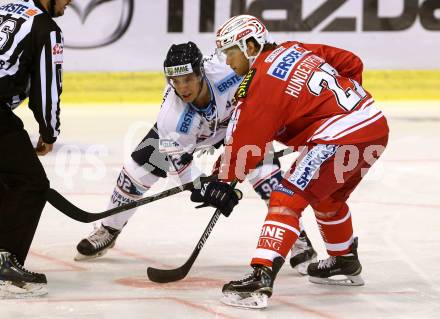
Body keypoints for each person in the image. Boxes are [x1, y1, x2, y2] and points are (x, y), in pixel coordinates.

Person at [190, 15, 389, 308]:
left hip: (341, 135)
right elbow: (351, 62)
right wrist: (336, 110)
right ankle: (343, 259)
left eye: (230, 52)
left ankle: (261, 275)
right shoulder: (295, 48)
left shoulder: (260, 82)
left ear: (249, 45)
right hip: (374, 127)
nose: (227, 61)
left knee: (287, 196)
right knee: (327, 197)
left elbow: (246, 142)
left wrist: (222, 180)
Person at [73, 41, 318, 268]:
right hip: (190, 136)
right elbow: (181, 168)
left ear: (201, 72)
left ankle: (297, 237)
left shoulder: (227, 71)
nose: (182, 88)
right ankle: (109, 229)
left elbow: (268, 72)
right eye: (175, 81)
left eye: (188, 79)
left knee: (268, 178)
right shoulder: (171, 117)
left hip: (239, 125)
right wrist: (205, 188)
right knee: (136, 173)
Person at [0, 0, 71, 298]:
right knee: (31, 183)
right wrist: (49, 133)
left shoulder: (3, 6)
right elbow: (47, 89)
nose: (70, 2)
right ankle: (5, 265)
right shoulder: (45, 28)